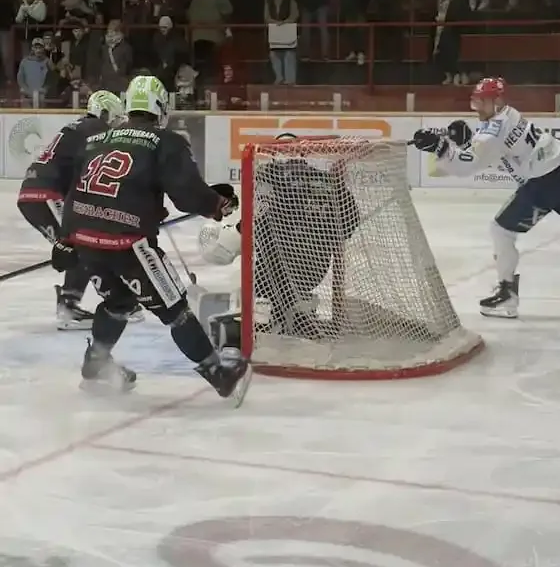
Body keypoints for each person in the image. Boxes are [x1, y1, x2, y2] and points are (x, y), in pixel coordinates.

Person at [50, 75, 251, 403]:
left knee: (118, 303)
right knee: (175, 309)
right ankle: (217, 372)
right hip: (128, 245)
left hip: (86, 241)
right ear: (160, 106)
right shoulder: (165, 141)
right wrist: (216, 205)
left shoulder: (96, 139)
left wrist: (65, 239)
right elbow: (186, 194)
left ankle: (96, 364)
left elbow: (76, 192)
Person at [412, 76, 560, 319]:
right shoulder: (510, 114)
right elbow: (497, 153)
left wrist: (440, 148)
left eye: (482, 102)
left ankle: (507, 294)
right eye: (476, 102)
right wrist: (467, 143)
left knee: (501, 231)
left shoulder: (493, 131)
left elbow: (470, 165)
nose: (478, 108)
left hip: (543, 183)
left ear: (497, 101)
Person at [195, 133, 360, 348]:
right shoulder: (327, 181)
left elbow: (255, 225)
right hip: (315, 270)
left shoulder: (268, 176)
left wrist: (239, 228)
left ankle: (265, 318)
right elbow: (348, 226)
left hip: (272, 269)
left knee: (224, 249)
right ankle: (293, 311)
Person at [16, 90, 133, 330]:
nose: (116, 124)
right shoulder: (96, 129)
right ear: (105, 113)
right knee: (81, 242)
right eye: (115, 118)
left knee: (80, 243)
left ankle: (78, 300)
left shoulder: (81, 127)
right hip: (46, 194)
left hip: (34, 193)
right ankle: (77, 304)